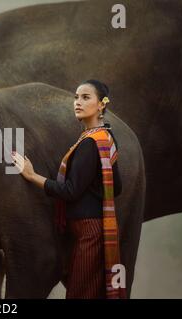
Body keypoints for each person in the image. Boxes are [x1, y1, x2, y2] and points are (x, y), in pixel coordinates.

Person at [11, 79, 125, 299]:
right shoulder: (105, 139)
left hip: (89, 233)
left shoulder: (90, 144)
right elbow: (116, 188)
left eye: (85, 97)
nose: (77, 102)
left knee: (79, 294)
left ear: (101, 105)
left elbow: (71, 191)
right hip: (93, 229)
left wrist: (31, 175)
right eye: (76, 97)